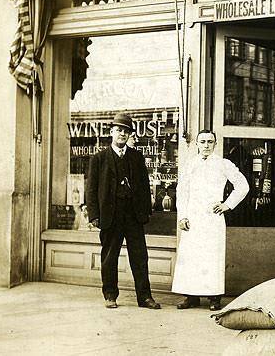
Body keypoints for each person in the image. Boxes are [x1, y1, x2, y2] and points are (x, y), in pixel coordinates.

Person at [86, 112, 161, 309]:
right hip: (110, 215)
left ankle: (144, 297)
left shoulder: (136, 157)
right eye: (119, 130)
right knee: (110, 256)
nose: (122, 134)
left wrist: (146, 212)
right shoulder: (99, 159)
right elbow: (91, 190)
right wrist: (94, 216)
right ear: (111, 132)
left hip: (133, 215)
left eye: (126, 131)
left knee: (139, 256)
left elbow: (144, 187)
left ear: (129, 135)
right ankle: (110, 295)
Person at [172, 130, 249, 311]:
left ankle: (214, 297)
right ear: (197, 144)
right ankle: (191, 296)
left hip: (212, 217)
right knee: (192, 257)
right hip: (192, 218)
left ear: (215, 144)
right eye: (203, 142)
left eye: (210, 142)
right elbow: (182, 192)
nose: (206, 145)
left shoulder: (223, 164)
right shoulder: (189, 165)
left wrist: (227, 205)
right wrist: (182, 215)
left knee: (212, 257)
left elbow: (243, 185)